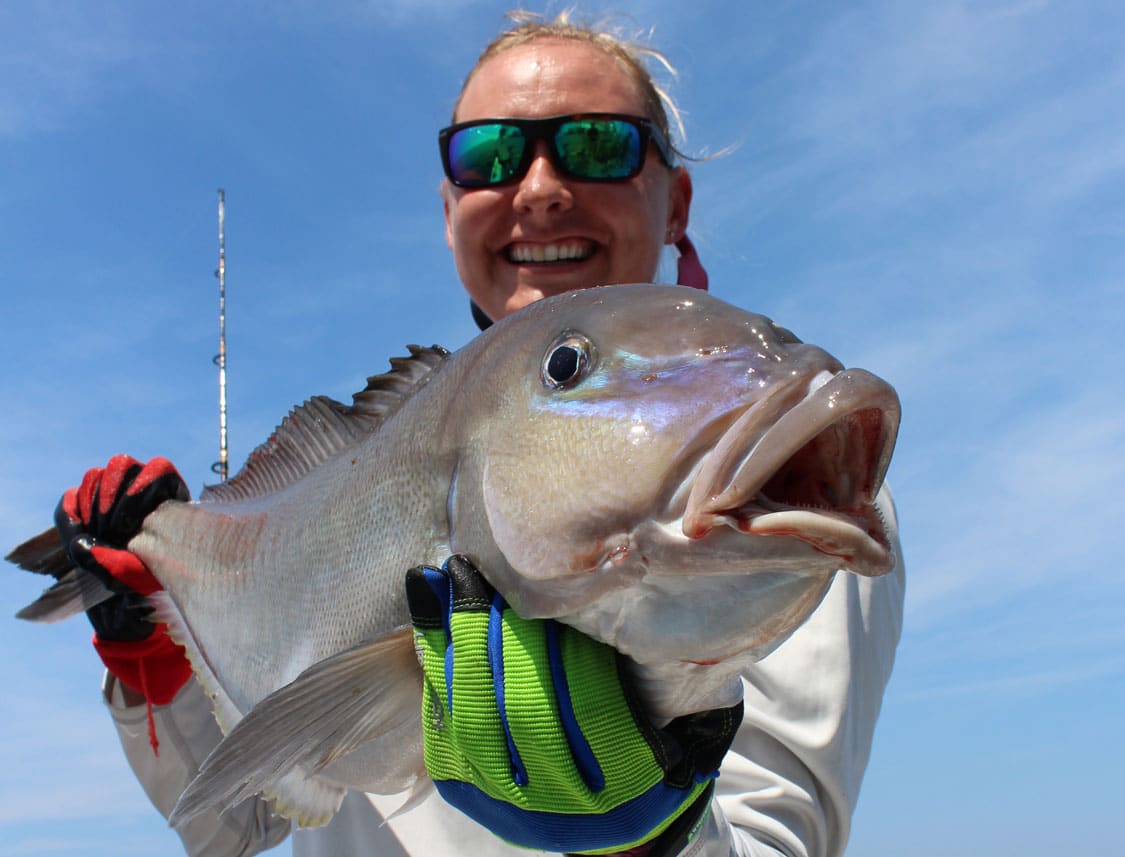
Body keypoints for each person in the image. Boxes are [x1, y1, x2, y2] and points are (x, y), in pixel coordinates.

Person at [53, 11, 904, 857]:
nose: (538, 188)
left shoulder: (799, 491)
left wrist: (652, 841)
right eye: (489, 156)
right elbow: (235, 826)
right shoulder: (405, 442)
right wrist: (151, 669)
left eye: (599, 146)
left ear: (675, 200)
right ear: (452, 206)